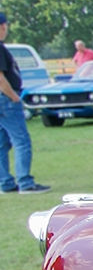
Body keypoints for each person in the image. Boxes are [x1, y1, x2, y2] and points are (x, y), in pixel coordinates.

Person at [0, 12, 50, 194]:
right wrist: (13, 96)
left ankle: (5, 182)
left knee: (2, 143)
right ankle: (25, 182)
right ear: (3, 26)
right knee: (21, 141)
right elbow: (1, 78)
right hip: (5, 99)